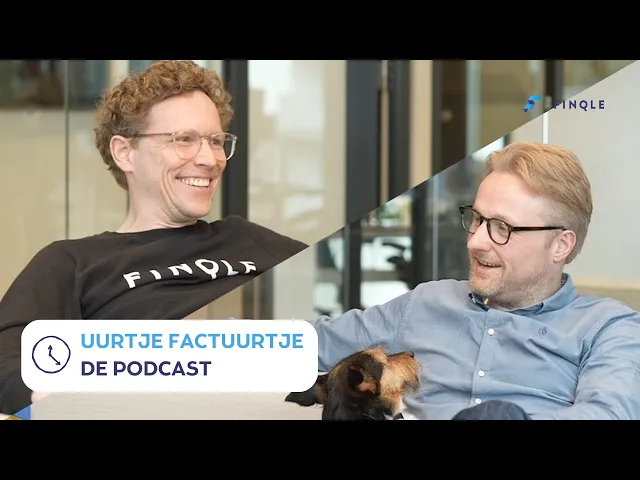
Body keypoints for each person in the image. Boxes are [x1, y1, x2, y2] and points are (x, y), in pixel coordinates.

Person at [0, 60, 307, 415]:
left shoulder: (248, 239)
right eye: (184, 140)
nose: (210, 159)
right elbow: (8, 364)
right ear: (124, 152)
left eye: (215, 141)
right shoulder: (72, 263)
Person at [310, 141, 640, 420]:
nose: (476, 241)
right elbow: (311, 343)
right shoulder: (425, 304)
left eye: (502, 227)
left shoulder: (606, 328)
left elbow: (610, 413)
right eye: (477, 219)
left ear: (560, 245)